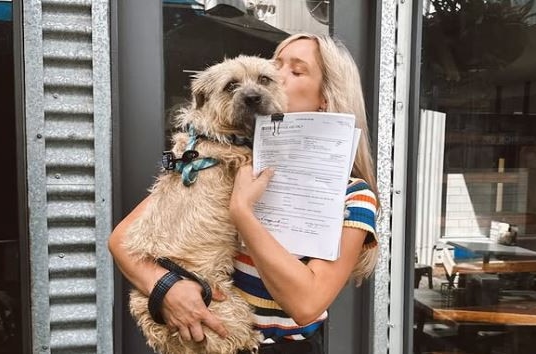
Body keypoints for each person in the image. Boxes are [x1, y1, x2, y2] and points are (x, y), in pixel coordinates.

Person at [108, 32, 379, 354]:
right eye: (276, 66)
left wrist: (242, 211)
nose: (269, 82)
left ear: (326, 96)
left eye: (294, 71)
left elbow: (306, 304)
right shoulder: (218, 163)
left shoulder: (353, 197)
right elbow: (121, 241)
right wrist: (166, 286)